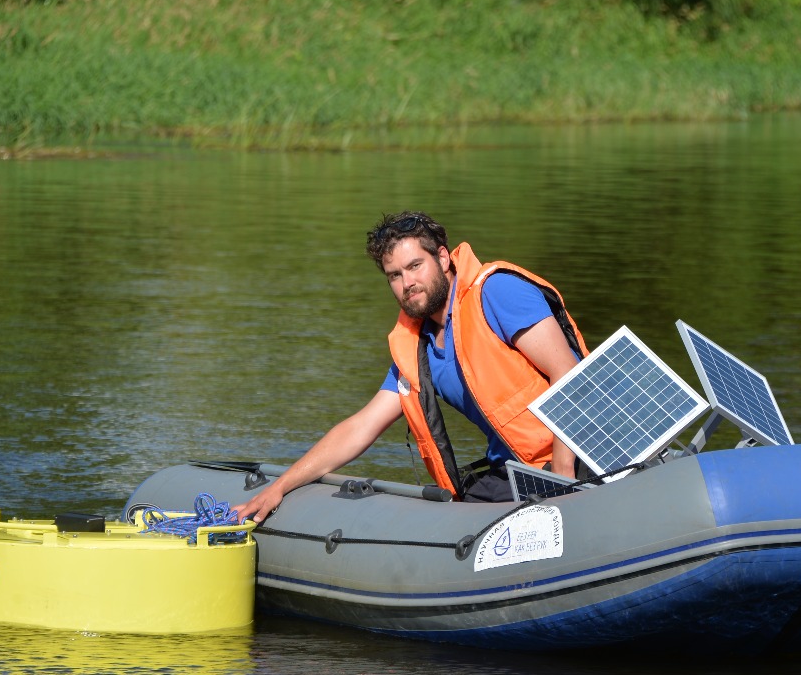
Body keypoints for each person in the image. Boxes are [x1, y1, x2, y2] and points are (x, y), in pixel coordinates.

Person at [232, 211, 587, 522]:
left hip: (580, 453)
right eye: (394, 275)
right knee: (455, 514)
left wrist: (561, 476)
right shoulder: (416, 346)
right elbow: (361, 426)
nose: (407, 283)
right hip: (515, 472)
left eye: (415, 266)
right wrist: (280, 487)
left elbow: (566, 373)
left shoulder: (495, 291)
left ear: (443, 258)